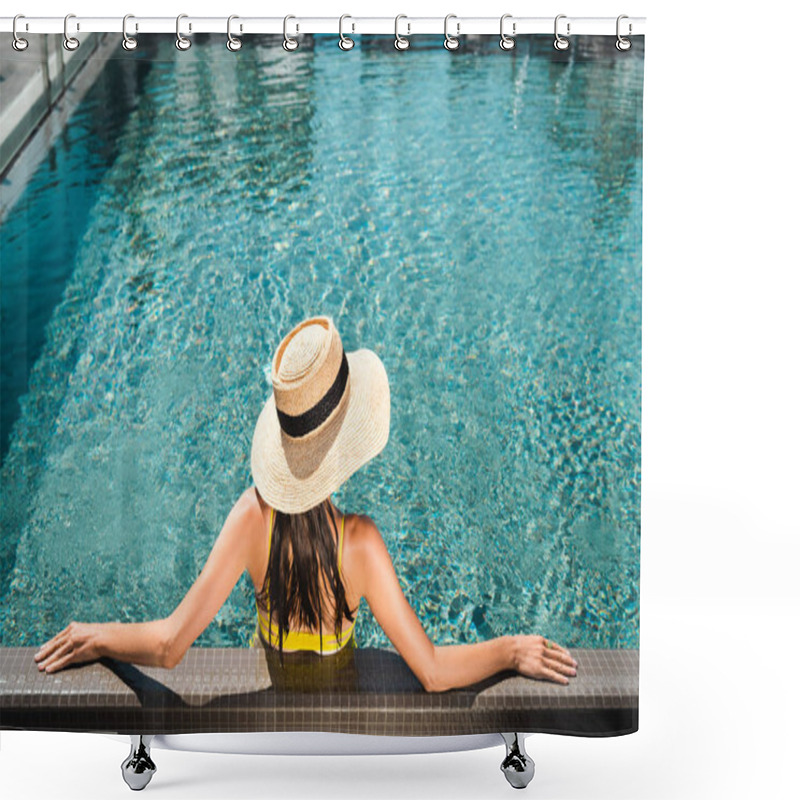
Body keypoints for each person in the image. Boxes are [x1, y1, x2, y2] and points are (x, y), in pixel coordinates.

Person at [34, 316, 578, 691]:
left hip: (269, 712)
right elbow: (433, 671)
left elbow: (170, 644)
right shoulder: (360, 544)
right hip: (338, 730)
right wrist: (510, 650)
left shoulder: (251, 519)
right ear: (345, 444)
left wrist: (95, 635)